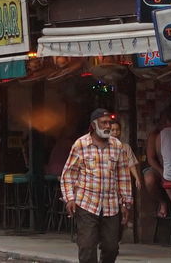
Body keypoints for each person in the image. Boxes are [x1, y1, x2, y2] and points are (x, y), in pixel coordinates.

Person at [61, 108, 134, 263]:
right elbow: (68, 174)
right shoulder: (80, 144)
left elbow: (123, 175)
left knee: (111, 247)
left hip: (111, 206)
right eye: (104, 123)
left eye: (109, 123)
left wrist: (126, 203)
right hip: (87, 203)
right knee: (87, 247)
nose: (108, 126)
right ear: (94, 125)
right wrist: (70, 199)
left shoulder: (117, 146)